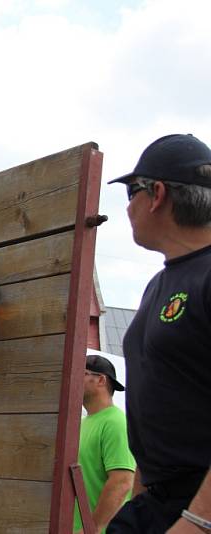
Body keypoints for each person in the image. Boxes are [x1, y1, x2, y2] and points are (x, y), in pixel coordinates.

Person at [106, 134, 211, 533]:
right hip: (160, 500)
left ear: (157, 194)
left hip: (198, 504)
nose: (128, 208)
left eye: (130, 194)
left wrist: (198, 521)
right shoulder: (158, 284)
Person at [74, 355, 135, 533]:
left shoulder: (116, 422)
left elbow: (122, 482)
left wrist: (91, 529)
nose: (73, 378)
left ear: (101, 379)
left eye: (81, 373)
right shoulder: (83, 424)